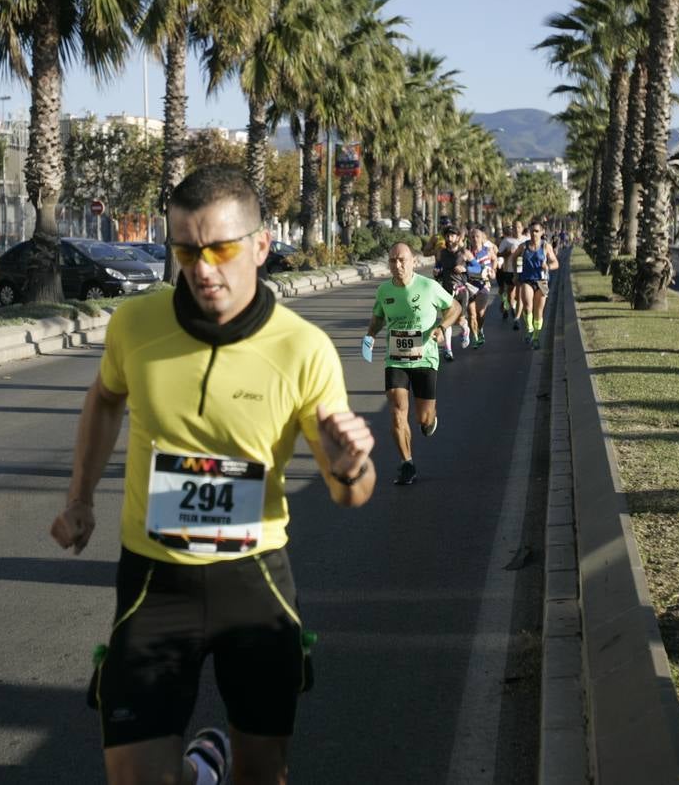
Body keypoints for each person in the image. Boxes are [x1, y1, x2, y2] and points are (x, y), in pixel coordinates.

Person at [50, 164, 377, 785]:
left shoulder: (302, 348)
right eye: (186, 251)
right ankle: (200, 770)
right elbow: (105, 399)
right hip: (155, 581)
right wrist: (80, 499)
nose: (202, 268)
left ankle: (210, 766)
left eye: (221, 249)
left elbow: (351, 492)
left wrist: (350, 466)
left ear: (261, 245)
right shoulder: (135, 325)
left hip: (253, 582)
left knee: (261, 774)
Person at [364, 241, 463, 486]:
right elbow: (378, 317)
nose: (397, 265)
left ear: (413, 262)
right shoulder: (384, 291)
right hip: (396, 359)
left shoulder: (429, 286)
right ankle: (406, 463)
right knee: (397, 411)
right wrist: (370, 336)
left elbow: (455, 307)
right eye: (392, 261)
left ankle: (429, 421)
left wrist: (442, 327)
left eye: (402, 260)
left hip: (425, 358)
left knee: (423, 419)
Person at [517, 221, 559, 349]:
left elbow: (556, 263)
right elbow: (515, 258)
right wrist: (516, 272)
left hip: (542, 281)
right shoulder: (523, 246)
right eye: (531, 231)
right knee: (527, 306)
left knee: (539, 311)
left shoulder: (546, 246)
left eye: (536, 231)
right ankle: (529, 328)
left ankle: (535, 337)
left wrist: (548, 266)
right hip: (527, 280)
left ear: (542, 232)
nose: (533, 233)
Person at [434, 225, 471, 359]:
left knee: (460, 321)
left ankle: (466, 331)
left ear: (458, 237)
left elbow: (477, 267)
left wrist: (465, 269)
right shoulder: (441, 252)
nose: (449, 238)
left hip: (461, 291)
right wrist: (437, 272)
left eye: (452, 236)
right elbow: (439, 267)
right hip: (446, 290)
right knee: (447, 321)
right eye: (447, 236)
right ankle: (448, 350)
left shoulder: (464, 252)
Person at [464, 227, 497, 347]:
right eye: (472, 237)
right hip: (469, 285)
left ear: (482, 238)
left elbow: (494, 259)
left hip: (484, 285)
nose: (475, 239)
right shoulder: (466, 252)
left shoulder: (488, 251)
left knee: (481, 313)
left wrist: (493, 271)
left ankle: (480, 329)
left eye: (477, 236)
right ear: (469, 238)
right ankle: (475, 337)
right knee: (472, 314)